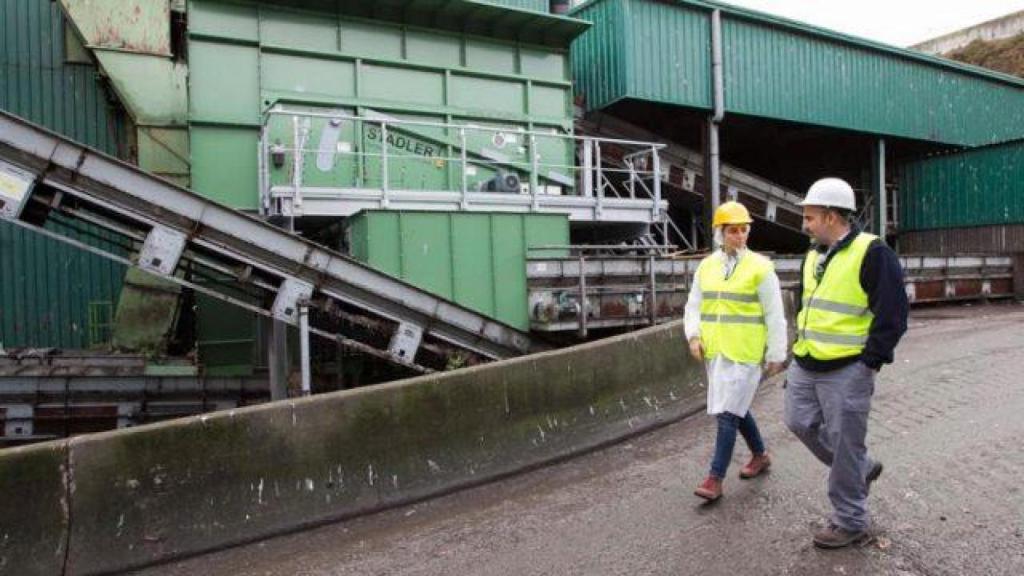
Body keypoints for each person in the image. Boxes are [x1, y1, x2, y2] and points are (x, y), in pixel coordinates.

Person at [784, 177, 908, 548]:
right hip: (806, 362)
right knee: (798, 422)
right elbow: (809, 306)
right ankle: (862, 469)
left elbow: (894, 313)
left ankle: (851, 520)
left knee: (845, 443)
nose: (805, 224)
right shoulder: (813, 253)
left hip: (848, 368)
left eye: (810, 217)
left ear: (832, 215)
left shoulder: (873, 253)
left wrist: (870, 361)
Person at [685, 201, 787, 502]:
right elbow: (694, 305)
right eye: (733, 231)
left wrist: (776, 354)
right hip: (716, 351)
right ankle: (760, 455)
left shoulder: (761, 268)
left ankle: (714, 479)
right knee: (737, 408)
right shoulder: (706, 266)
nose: (740, 236)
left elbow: (774, 313)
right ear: (720, 233)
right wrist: (693, 336)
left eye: (744, 230)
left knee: (727, 413)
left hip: (746, 353)